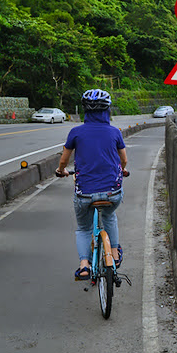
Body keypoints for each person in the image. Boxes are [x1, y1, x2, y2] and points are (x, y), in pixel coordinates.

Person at [56, 89, 129, 280]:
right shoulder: (115, 132)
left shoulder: (75, 132)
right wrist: (122, 170)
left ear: (85, 110)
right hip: (112, 192)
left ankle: (84, 265)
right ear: (108, 110)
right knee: (110, 215)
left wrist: (61, 171)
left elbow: (64, 161)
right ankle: (113, 252)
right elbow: (124, 160)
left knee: (83, 228)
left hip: (85, 194)